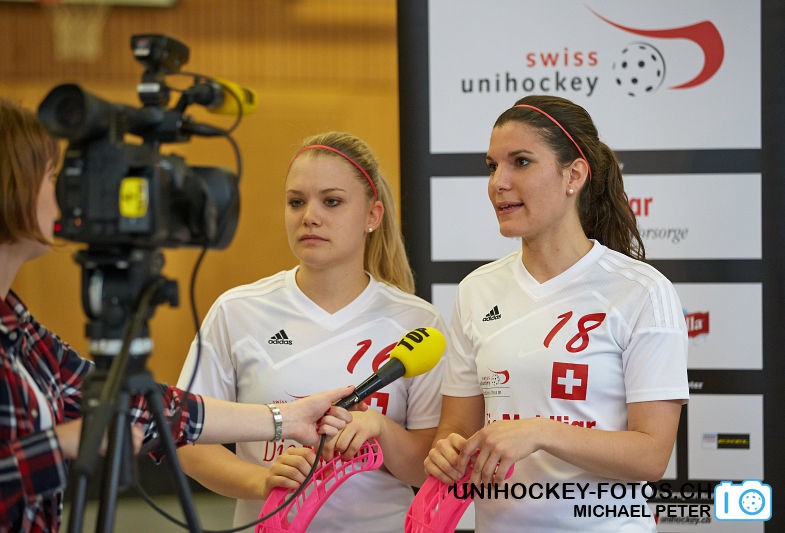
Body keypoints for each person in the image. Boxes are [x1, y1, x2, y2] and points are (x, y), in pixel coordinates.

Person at [0, 98, 355, 533]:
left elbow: (139, 408)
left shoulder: (18, 328)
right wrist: (56, 449)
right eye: (53, 176)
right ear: (11, 187)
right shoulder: (238, 308)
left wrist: (284, 420)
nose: (65, 194)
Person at [424, 95, 689, 532]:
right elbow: (455, 429)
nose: (498, 183)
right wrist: (447, 453)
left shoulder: (640, 291)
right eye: (492, 166)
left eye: (521, 162)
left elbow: (651, 456)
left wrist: (541, 431)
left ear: (574, 175)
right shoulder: (476, 290)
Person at [176, 131, 446, 532]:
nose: (310, 216)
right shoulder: (237, 310)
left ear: (372, 215)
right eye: (296, 202)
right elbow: (186, 439)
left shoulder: (418, 322)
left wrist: (381, 430)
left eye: (331, 201)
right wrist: (262, 481)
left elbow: (427, 470)